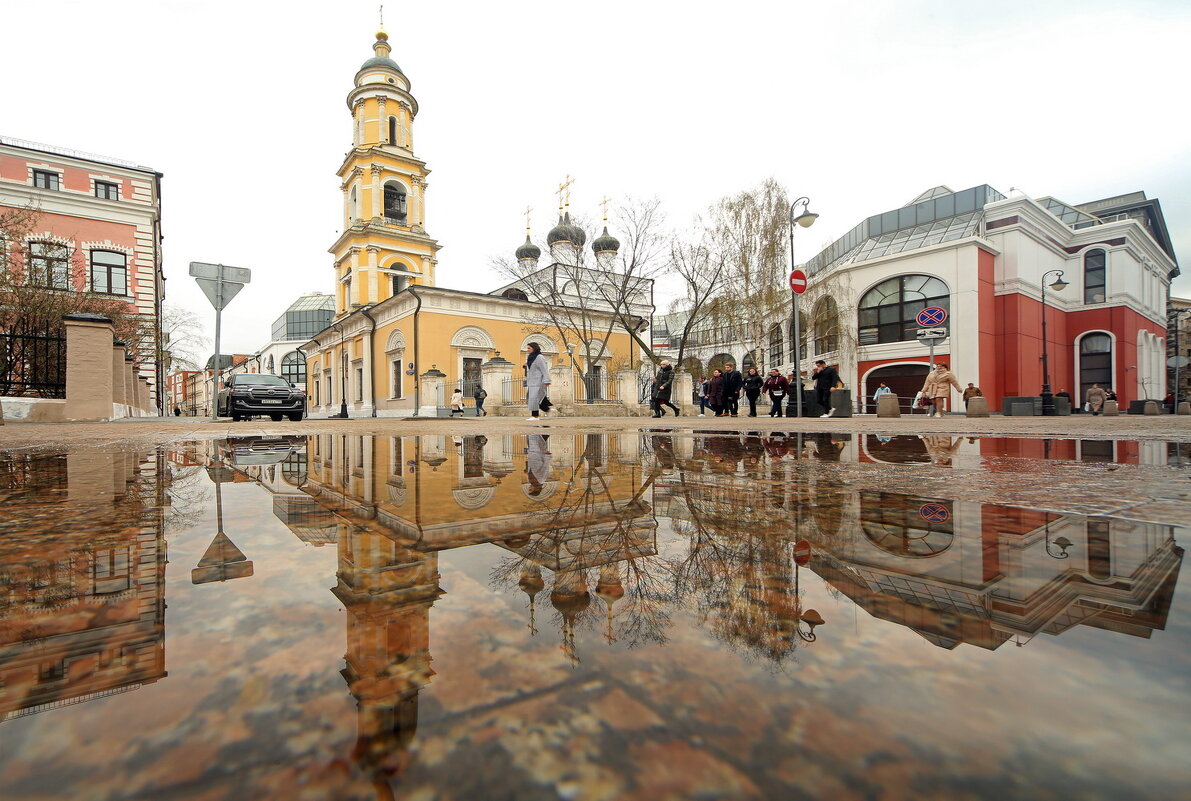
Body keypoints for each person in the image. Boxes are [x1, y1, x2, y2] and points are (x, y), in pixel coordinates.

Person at [524, 342, 551, 422]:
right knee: (533, 398)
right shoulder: (531, 357)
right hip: (532, 381)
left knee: (534, 398)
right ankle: (546, 409)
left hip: (538, 381)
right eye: (527, 348)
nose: (527, 350)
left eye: (529, 348)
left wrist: (547, 380)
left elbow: (544, 369)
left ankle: (535, 416)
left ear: (534, 348)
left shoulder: (539, 357)